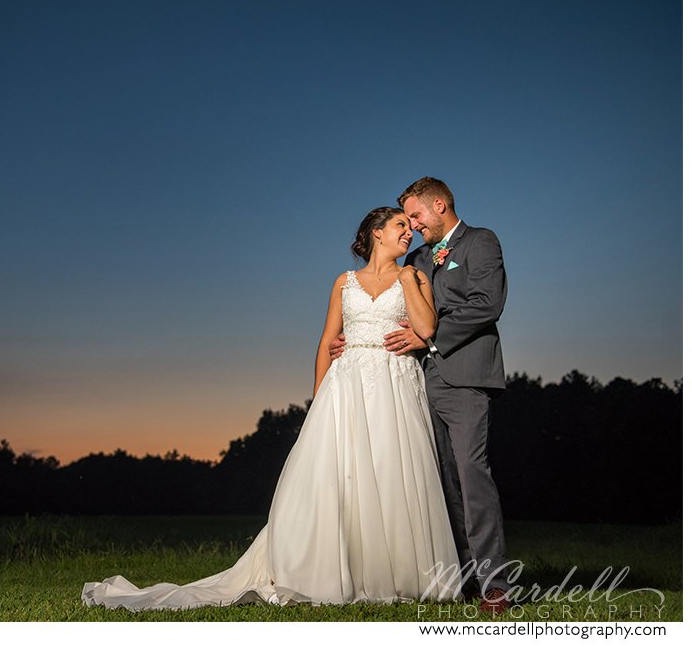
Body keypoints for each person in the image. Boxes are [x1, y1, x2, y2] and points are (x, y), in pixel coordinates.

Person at [81, 207, 463, 611]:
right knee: (339, 479)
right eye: (400, 226)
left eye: (410, 225)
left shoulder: (414, 275)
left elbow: (426, 329)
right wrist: (319, 402)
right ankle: (326, 569)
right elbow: (326, 341)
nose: (409, 232)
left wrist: (406, 279)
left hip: (394, 384)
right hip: (346, 386)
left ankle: (393, 573)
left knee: (390, 471)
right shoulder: (343, 282)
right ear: (376, 233)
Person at [330, 177, 512, 615]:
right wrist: (350, 340)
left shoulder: (480, 242)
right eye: (406, 219)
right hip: (417, 382)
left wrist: (427, 338)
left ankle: (495, 584)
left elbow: (487, 304)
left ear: (440, 204)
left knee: (471, 474)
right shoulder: (417, 259)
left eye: (416, 216)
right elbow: (395, 303)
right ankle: (462, 575)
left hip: (466, 375)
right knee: (441, 480)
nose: (412, 225)